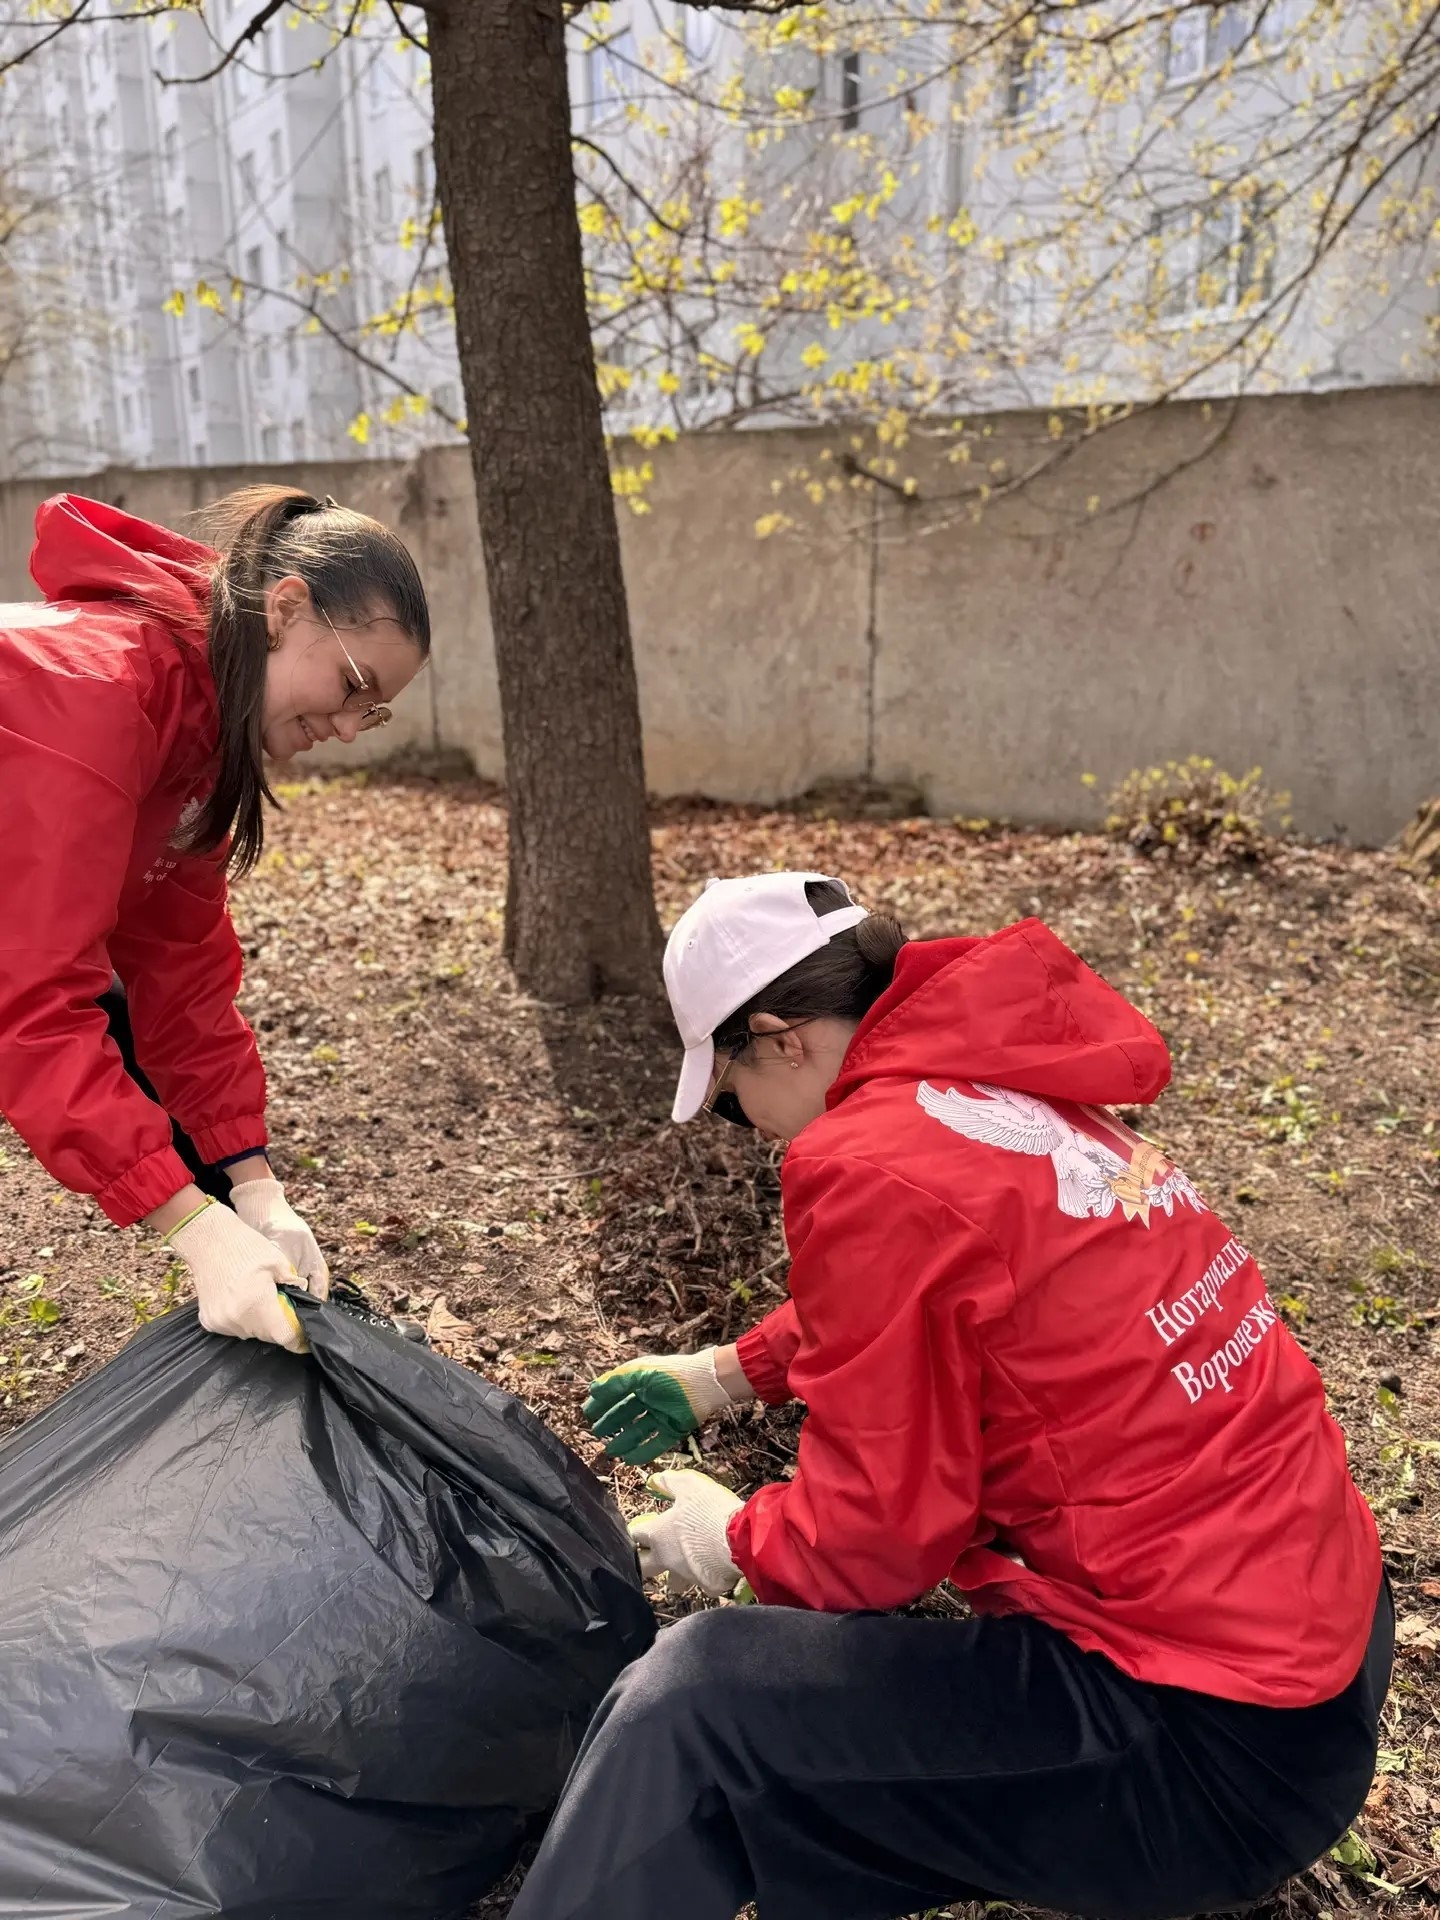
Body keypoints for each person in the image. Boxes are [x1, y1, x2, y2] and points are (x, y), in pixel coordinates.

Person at [511, 872, 1388, 1920]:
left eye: (732, 1100)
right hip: (1324, 1652)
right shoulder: (993, 1084)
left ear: (780, 1040)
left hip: (1205, 1745)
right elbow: (948, 1295)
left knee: (695, 1709)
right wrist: (722, 1375)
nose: (750, 1126)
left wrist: (735, 1542)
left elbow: (876, 1540)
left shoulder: (862, 1161)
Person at [0, 487, 430, 1351]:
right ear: (286, 609)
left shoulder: (194, 730)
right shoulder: (99, 695)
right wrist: (193, 1225)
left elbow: (182, 975)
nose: (351, 727)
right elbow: (33, 1000)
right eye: (353, 685)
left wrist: (254, 1184)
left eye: (373, 709)